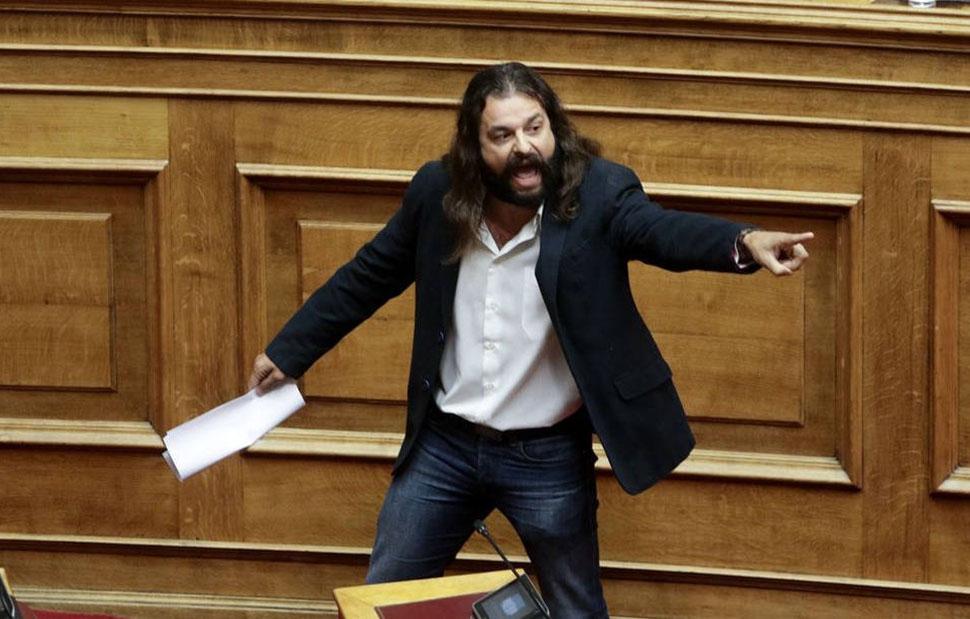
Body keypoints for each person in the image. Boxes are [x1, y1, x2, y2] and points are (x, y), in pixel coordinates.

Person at [248, 62, 811, 617]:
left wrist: (744, 242)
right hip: (444, 446)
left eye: (534, 128)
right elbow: (368, 276)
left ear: (553, 128)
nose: (524, 147)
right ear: (473, 147)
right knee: (384, 597)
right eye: (502, 135)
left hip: (546, 456)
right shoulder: (437, 194)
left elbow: (663, 231)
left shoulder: (599, 193)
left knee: (575, 608)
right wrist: (291, 351)